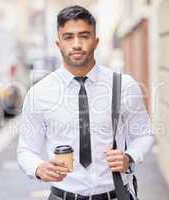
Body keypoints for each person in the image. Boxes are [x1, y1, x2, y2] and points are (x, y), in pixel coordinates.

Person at [17, 5, 154, 200]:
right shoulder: (39, 93)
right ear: (58, 44)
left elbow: (144, 134)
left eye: (84, 36)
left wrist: (129, 157)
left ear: (96, 41)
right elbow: (26, 150)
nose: (76, 44)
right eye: (68, 37)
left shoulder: (123, 85)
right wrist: (38, 168)